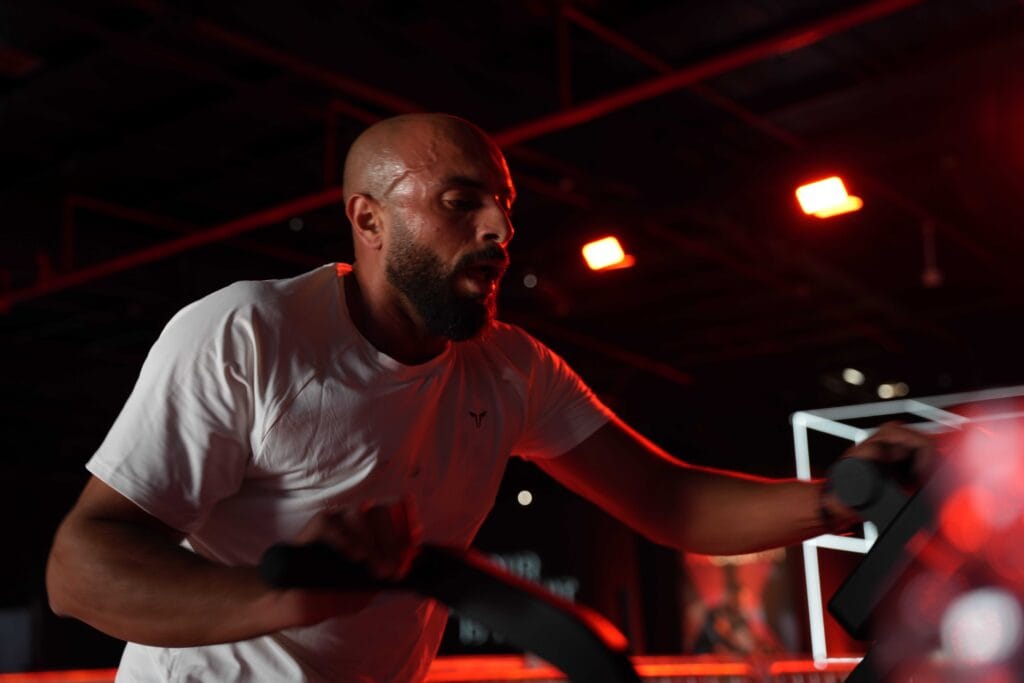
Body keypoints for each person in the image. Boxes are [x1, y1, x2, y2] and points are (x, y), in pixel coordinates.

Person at [45, 113, 931, 682]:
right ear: (367, 219)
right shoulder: (250, 331)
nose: (501, 229)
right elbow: (79, 569)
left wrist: (833, 496)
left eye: (504, 205)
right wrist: (287, 600)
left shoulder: (510, 368)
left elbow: (669, 500)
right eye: (462, 201)